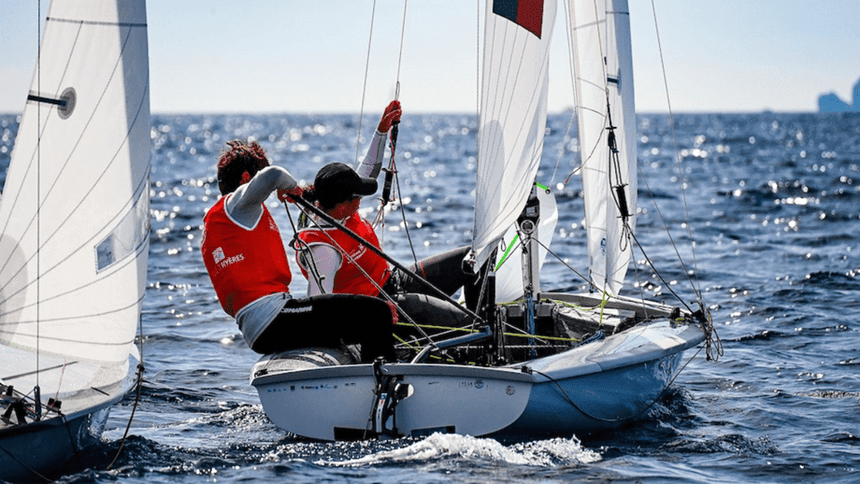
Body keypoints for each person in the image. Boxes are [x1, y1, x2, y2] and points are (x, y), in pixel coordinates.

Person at [294, 101, 480, 335]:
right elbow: (319, 305)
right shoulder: (323, 250)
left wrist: (382, 130)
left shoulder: (333, 203)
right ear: (342, 205)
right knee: (467, 323)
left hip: (394, 281)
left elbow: (368, 168)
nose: (361, 200)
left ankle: (482, 330)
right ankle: (476, 339)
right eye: (356, 198)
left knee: (473, 258)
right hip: (379, 308)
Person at [200, 140, 395, 362]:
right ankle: (386, 383)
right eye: (255, 176)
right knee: (378, 312)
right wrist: (290, 186)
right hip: (273, 319)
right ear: (246, 178)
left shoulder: (218, 224)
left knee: (360, 318)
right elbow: (273, 175)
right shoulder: (237, 206)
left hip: (258, 328)